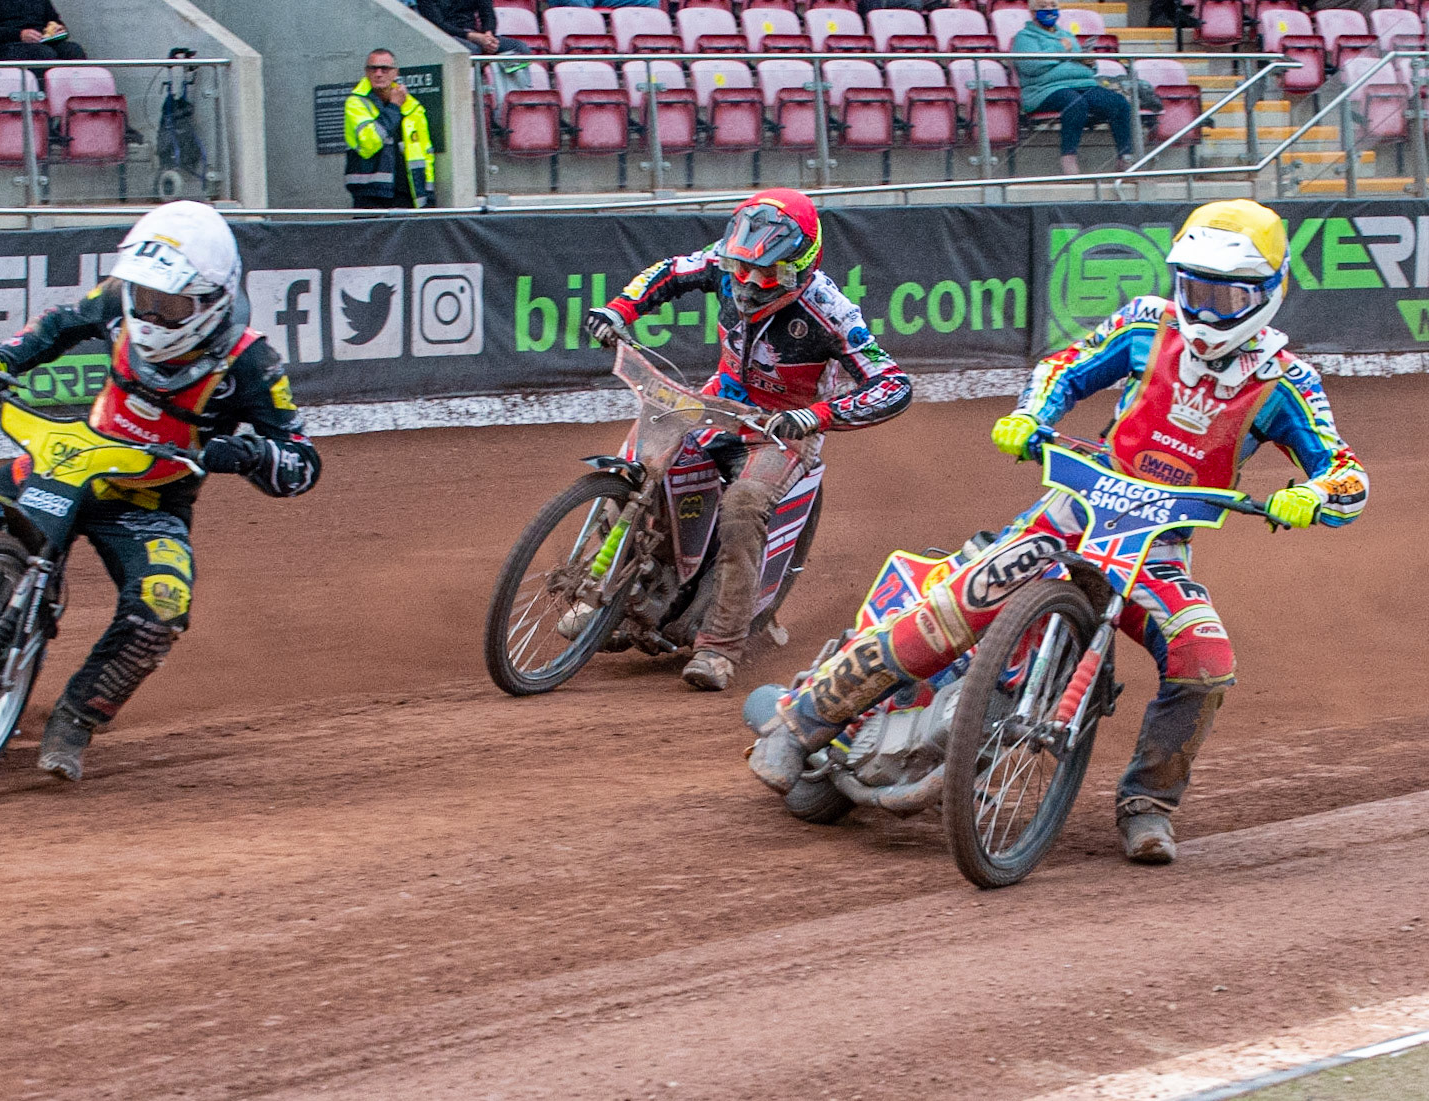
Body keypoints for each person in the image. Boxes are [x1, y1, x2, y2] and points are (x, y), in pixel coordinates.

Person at [749, 200, 1369, 864]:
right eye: (1195, 286)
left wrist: (1314, 497)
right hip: (1076, 509)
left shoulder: (1286, 381)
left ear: (1267, 293)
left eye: (1226, 293)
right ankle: (803, 719)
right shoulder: (1145, 323)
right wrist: (1031, 414)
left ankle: (1147, 805)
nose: (1206, 306)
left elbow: (1345, 471)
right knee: (956, 602)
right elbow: (1063, 366)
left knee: (1206, 663)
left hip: (1157, 546)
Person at [0, 201, 321, 782]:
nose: (151, 313)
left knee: (161, 603)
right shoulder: (117, 299)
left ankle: (76, 717)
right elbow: (58, 324)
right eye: (144, 296)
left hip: (148, 500)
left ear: (212, 299)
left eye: (170, 303)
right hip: (70, 457)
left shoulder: (251, 362)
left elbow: (302, 461)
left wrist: (250, 453)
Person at [584, 189, 912, 692]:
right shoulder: (727, 263)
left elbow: (892, 384)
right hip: (716, 403)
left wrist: (815, 416)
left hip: (780, 430)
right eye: (743, 270)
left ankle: (719, 647)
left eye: (767, 274)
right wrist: (619, 312)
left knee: (742, 506)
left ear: (800, 267)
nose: (750, 283)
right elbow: (670, 271)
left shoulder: (831, 311)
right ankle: (600, 594)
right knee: (638, 466)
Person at [1014, 0, 1134, 175]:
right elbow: (1031, 65)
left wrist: (1089, 62)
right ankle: (1068, 159)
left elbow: (1085, 66)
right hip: (1045, 88)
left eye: (1053, 6)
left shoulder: (1067, 35)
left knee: (1118, 102)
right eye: (1043, 7)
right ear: (1032, 12)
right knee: (1075, 103)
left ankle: (1125, 158)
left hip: (1082, 83)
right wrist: (1060, 49)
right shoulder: (1024, 38)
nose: (1049, 10)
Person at [344, 48, 433, 210]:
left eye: (385, 69)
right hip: (370, 195)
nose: (379, 73)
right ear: (366, 72)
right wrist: (393, 107)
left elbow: (426, 153)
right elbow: (369, 144)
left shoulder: (413, 106)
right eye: (373, 69)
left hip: (408, 195)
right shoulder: (356, 103)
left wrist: (429, 192)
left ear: (395, 73)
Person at [0, 0, 86, 62]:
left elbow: (54, 20)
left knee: (73, 50)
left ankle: (79, 100)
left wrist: (60, 29)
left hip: (44, 41)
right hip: (7, 44)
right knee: (43, 53)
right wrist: (19, 35)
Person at [415, 0, 532, 57]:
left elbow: (488, 14)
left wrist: (489, 35)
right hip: (444, 38)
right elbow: (439, 24)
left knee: (520, 48)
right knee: (473, 49)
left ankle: (511, 95)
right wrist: (471, 36)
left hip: (475, 36)